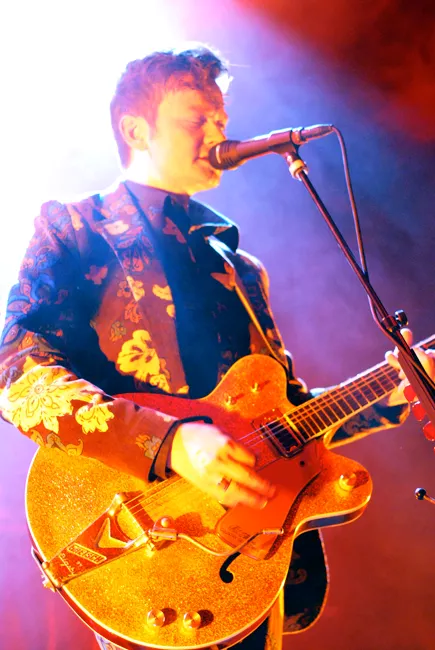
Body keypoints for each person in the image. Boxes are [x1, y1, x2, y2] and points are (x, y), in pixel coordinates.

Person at [0, 45, 433, 650]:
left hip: (253, 554)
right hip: (146, 536)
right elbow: (18, 373)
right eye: (195, 119)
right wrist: (169, 442)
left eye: (221, 120)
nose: (217, 134)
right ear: (136, 130)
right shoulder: (74, 229)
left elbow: (290, 420)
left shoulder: (241, 268)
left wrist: (399, 387)